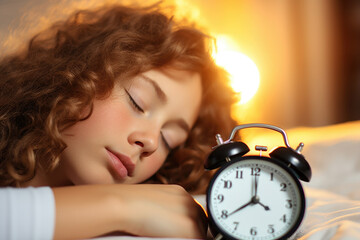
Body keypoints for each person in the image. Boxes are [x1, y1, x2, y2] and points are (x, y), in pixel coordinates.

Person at [0, 2, 237, 239]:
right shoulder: (128, 210)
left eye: (168, 140)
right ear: (78, 72)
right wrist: (120, 206)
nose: (152, 141)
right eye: (138, 102)